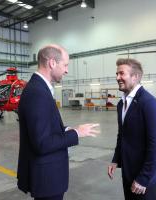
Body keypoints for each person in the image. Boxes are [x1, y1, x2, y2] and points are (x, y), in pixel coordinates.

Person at [17, 44, 99, 200]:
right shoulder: (37, 92)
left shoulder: (39, 88)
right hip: (47, 179)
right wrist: (77, 133)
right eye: (65, 65)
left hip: (48, 176)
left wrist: (67, 129)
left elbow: (44, 130)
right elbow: (42, 143)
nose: (67, 70)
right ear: (52, 63)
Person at [108, 58, 156, 200]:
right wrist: (116, 159)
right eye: (117, 74)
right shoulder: (122, 103)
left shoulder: (148, 103)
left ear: (136, 77)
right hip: (128, 172)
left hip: (145, 178)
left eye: (122, 73)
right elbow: (122, 135)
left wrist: (144, 178)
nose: (117, 78)